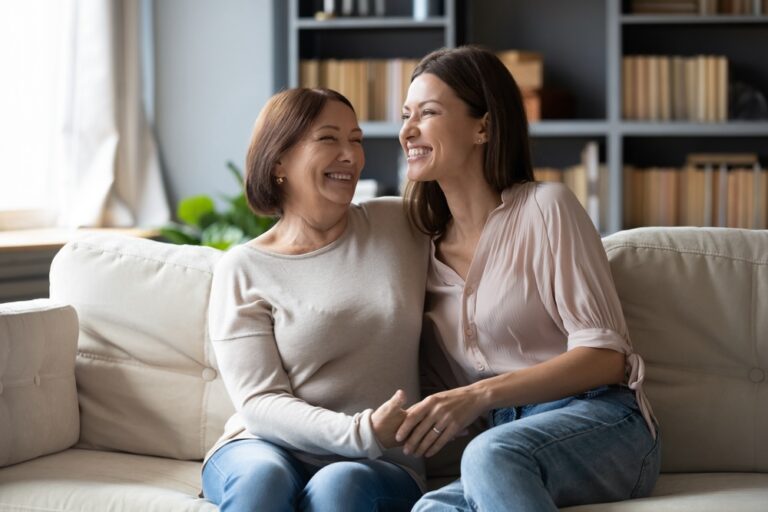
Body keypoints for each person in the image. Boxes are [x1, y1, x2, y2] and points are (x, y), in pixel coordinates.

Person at [395, 45, 661, 511]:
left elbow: (605, 359)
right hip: (507, 443)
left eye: (428, 112)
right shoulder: (421, 248)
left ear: (483, 126)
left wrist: (478, 395)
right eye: (405, 115)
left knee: (489, 455)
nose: (407, 130)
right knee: (429, 509)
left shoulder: (546, 208)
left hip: (599, 420)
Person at [201, 87, 428, 512]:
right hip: (264, 447)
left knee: (339, 487)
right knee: (261, 480)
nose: (351, 155)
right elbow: (260, 402)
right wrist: (360, 430)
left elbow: (477, 211)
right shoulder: (244, 269)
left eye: (356, 140)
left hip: (380, 460)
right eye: (329, 139)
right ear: (279, 160)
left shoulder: (400, 224)